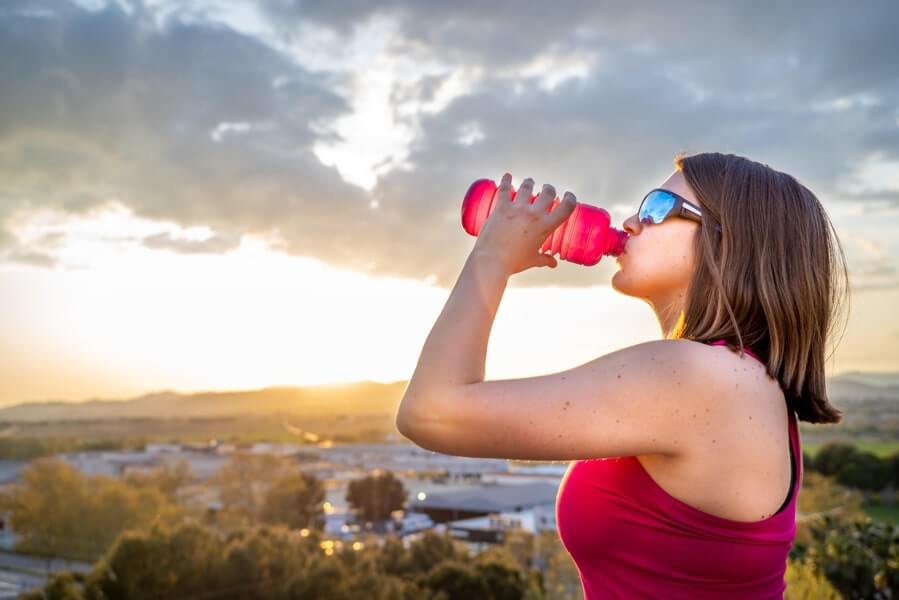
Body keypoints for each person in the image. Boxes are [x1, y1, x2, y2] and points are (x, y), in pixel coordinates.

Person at [395, 151, 849, 598]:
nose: (631, 222)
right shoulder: (742, 383)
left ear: (727, 241)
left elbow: (430, 412)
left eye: (656, 208)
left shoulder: (696, 377)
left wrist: (491, 256)